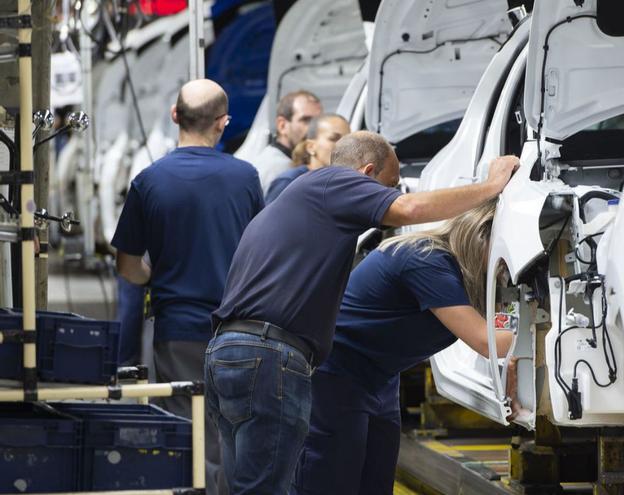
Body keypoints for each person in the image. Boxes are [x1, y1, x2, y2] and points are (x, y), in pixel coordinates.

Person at [206, 130, 518, 495]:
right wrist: (491, 186)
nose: (388, 199)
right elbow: (410, 209)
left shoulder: (314, 206)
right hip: (275, 356)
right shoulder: (332, 182)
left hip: (240, 351)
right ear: (367, 173)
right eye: (389, 186)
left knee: (251, 484)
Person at [294, 200, 512, 494]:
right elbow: (485, 341)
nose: (505, 268)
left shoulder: (464, 279)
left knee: (374, 482)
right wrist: (544, 335)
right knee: (330, 480)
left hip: (380, 378)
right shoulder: (428, 260)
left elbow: (496, 340)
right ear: (481, 235)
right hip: (335, 374)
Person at [112, 79, 263, 495]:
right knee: (236, 434)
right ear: (223, 123)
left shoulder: (149, 181)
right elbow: (260, 252)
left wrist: (156, 276)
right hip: (239, 330)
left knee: (187, 433)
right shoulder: (246, 177)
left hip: (177, 331)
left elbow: (127, 267)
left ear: (175, 115)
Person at [264, 113, 350, 203]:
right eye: (333, 139)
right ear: (311, 147)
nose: (343, 145)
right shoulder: (289, 182)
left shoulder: (348, 182)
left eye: (348, 139)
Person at [255, 90, 322, 194]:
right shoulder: (278, 170)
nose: (314, 128)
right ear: (282, 126)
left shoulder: (286, 165)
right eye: (306, 120)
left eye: (318, 121)